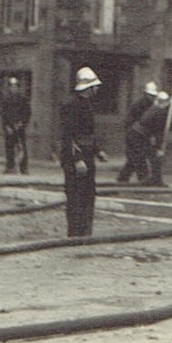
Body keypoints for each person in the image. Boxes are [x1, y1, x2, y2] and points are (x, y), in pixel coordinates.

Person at [58, 67, 105, 237]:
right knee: (75, 196)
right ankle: (75, 233)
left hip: (87, 157)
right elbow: (68, 135)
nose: (97, 89)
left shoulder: (87, 106)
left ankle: (85, 232)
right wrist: (77, 159)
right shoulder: (71, 106)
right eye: (95, 86)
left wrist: (97, 151)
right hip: (75, 160)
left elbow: (89, 134)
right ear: (88, 88)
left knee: (88, 195)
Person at [117, 80, 159, 183]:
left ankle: (123, 178)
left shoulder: (153, 106)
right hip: (134, 134)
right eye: (150, 95)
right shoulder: (138, 105)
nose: (152, 98)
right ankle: (143, 178)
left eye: (153, 96)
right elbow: (129, 120)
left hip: (143, 135)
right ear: (145, 94)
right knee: (139, 156)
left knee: (134, 158)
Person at [136, 90, 171, 186]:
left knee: (149, 156)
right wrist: (159, 147)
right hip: (139, 135)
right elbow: (158, 131)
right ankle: (155, 179)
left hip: (140, 135)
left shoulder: (154, 109)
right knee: (154, 156)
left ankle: (153, 178)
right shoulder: (159, 113)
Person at [1, 77, 32, 175]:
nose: (13, 89)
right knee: (9, 147)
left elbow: (27, 113)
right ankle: (10, 167)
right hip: (10, 127)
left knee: (21, 147)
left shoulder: (23, 100)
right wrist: (6, 126)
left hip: (19, 127)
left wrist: (22, 123)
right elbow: (3, 114)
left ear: (18, 88)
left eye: (15, 87)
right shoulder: (6, 100)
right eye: (11, 87)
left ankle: (23, 168)